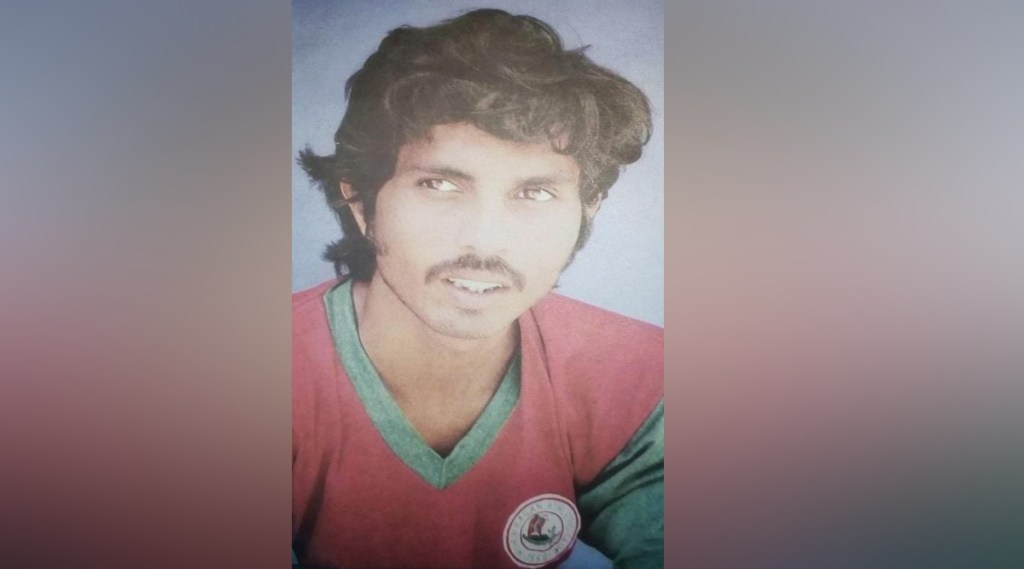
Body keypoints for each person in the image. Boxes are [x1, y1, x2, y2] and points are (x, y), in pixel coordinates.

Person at [292, 8, 663, 569]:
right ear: (361, 202)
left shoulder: (639, 377)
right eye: (439, 184)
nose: (487, 238)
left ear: (586, 211)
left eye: (535, 193)